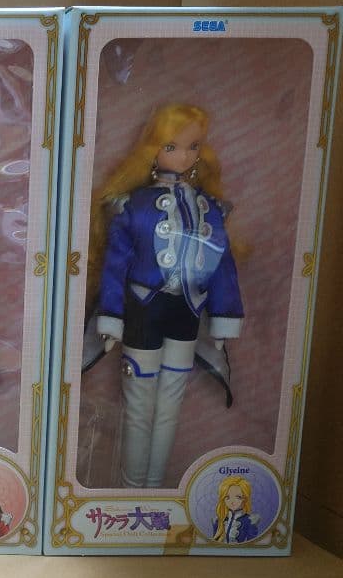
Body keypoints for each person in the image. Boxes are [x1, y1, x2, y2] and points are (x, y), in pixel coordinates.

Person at [89, 103, 242, 488]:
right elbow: (116, 266)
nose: (184, 156)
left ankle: (154, 488)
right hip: (145, 309)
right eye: (171, 146)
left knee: (171, 404)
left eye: (193, 146)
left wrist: (224, 316)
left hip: (187, 311)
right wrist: (111, 315)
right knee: (139, 405)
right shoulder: (134, 206)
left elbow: (222, 266)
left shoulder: (211, 209)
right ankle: (131, 489)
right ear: (153, 149)